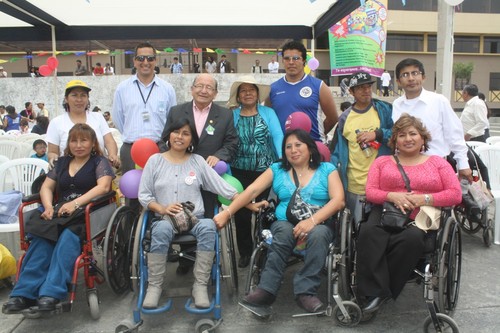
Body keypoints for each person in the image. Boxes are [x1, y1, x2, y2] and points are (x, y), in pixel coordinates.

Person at [214, 129, 344, 313]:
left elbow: (338, 200)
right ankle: (266, 290)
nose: (293, 150)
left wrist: (311, 221)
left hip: (319, 222)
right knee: (282, 232)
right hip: (285, 221)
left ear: (310, 148)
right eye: (288, 146)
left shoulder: (327, 169)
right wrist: (227, 213)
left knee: (319, 234)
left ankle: (306, 292)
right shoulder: (277, 169)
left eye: (298, 145)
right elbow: (251, 191)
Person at [2, 124, 114, 314]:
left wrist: (75, 204)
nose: (78, 145)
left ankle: (51, 292)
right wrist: (47, 207)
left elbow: (103, 187)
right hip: (59, 212)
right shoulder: (62, 163)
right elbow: (46, 188)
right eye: (74, 140)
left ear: (93, 143)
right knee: (41, 240)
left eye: (84, 140)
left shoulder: (99, 162)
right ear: (68, 143)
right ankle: (23, 293)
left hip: (86, 212)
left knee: (66, 240)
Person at [357, 114, 462, 314]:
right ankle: (375, 292)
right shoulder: (382, 162)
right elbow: (370, 191)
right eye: (402, 135)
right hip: (386, 210)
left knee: (411, 239)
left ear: (423, 138)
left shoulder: (438, 163)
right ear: (395, 140)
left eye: (413, 134)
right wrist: (392, 195)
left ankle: (383, 291)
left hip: (420, 216)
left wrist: (425, 199)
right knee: (368, 233)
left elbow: (455, 194)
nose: (408, 139)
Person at [139, 118, 239, 309]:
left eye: (186, 134)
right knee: (159, 231)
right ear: (169, 135)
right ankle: (154, 286)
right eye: (176, 132)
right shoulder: (155, 161)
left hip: (195, 219)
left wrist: (243, 200)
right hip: (166, 219)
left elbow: (221, 186)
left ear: (191, 139)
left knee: (209, 226)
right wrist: (162, 208)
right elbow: (144, 195)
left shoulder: (197, 161)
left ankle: (200, 286)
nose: (180, 137)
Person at [161, 73, 238, 274]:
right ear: (192, 88)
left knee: (204, 215)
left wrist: (219, 155)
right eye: (200, 86)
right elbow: (164, 140)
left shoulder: (225, 114)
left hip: (209, 174)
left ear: (215, 93)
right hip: (179, 173)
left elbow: (231, 143)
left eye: (209, 87)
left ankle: (208, 260)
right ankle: (186, 259)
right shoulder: (177, 111)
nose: (204, 90)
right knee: (181, 211)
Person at [227, 75, 283, 268]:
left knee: (264, 210)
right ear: (238, 96)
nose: (248, 93)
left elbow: (277, 135)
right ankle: (245, 251)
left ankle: (263, 249)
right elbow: (227, 141)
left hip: (264, 171)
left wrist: (282, 160)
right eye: (243, 90)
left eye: (252, 90)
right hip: (238, 170)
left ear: (258, 94)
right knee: (241, 213)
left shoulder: (268, 113)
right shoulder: (232, 115)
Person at [112, 41, 177, 203]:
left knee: (161, 194)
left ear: (155, 60)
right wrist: (132, 136)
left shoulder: (167, 88)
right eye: (141, 58)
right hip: (131, 150)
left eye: (150, 58)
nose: (145, 62)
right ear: (134, 61)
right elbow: (118, 119)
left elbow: (172, 119)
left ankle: (157, 227)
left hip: (160, 148)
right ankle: (132, 225)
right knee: (132, 194)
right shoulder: (123, 88)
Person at [393, 58, 472, 181]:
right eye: (405, 74)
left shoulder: (438, 101)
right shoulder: (397, 105)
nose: (411, 78)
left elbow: (454, 134)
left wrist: (463, 164)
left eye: (415, 73)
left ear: (423, 77)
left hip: (437, 167)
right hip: (406, 169)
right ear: (398, 81)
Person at [330, 71, 393, 224]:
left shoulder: (383, 110)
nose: (366, 91)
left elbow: (398, 135)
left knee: (378, 227)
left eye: (368, 86)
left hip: (381, 182)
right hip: (354, 184)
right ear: (351, 92)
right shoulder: (345, 117)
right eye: (360, 88)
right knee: (355, 227)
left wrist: (377, 134)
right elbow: (337, 151)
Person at [267, 41, 338, 142]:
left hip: (313, 149)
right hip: (284, 150)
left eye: (296, 58)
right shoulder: (273, 89)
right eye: (287, 58)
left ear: (304, 61)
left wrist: (316, 135)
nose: (291, 62)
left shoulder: (319, 86)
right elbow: (268, 119)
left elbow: (333, 118)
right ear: (282, 61)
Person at [46, 80, 119, 169]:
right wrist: (53, 158)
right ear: (66, 99)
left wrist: (112, 155)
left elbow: (109, 141)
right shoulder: (56, 122)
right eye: (74, 95)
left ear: (87, 99)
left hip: (99, 170)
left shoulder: (98, 117)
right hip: (68, 172)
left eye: (83, 95)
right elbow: (52, 151)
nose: (79, 100)